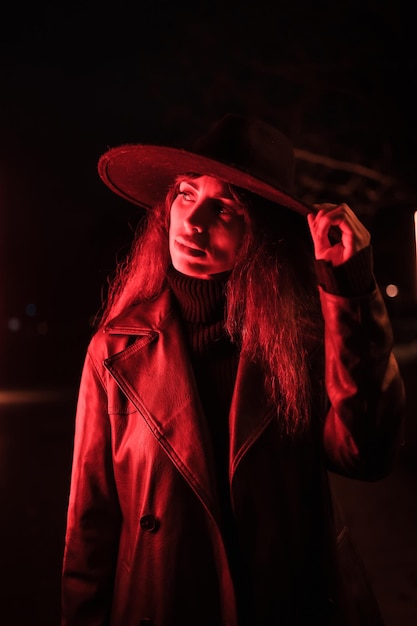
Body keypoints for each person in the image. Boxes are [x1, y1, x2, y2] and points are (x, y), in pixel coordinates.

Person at [61, 113, 405, 626]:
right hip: (161, 603)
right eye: (184, 194)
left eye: (225, 206)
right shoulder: (114, 351)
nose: (193, 221)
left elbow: (367, 452)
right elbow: (92, 524)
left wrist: (351, 293)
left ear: (261, 232)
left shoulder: (299, 340)